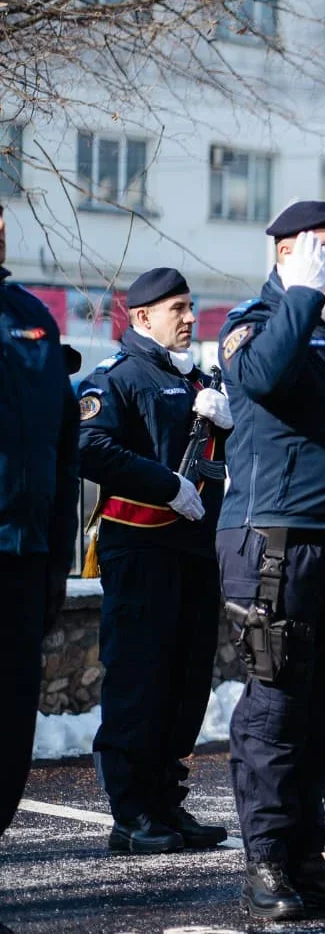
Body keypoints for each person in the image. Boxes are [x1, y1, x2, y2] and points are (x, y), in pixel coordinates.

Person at [216, 201, 325, 918]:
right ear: (285, 253)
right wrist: (300, 298)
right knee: (277, 708)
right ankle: (266, 865)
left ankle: (307, 859)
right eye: (323, 246)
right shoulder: (252, 324)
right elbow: (261, 378)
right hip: (276, 543)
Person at [78, 268, 230, 855]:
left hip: (193, 548)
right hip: (141, 547)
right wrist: (164, 485)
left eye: (191, 307)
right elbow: (89, 446)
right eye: (178, 309)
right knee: (139, 679)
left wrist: (223, 426)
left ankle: (167, 799)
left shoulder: (192, 377)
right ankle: (132, 811)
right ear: (142, 318)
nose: (190, 318)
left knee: (185, 682)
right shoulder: (118, 377)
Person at [0, 205, 80, 840]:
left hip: (24, 560)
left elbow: (62, 444)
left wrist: (58, 558)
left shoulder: (32, 319)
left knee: (9, 739)